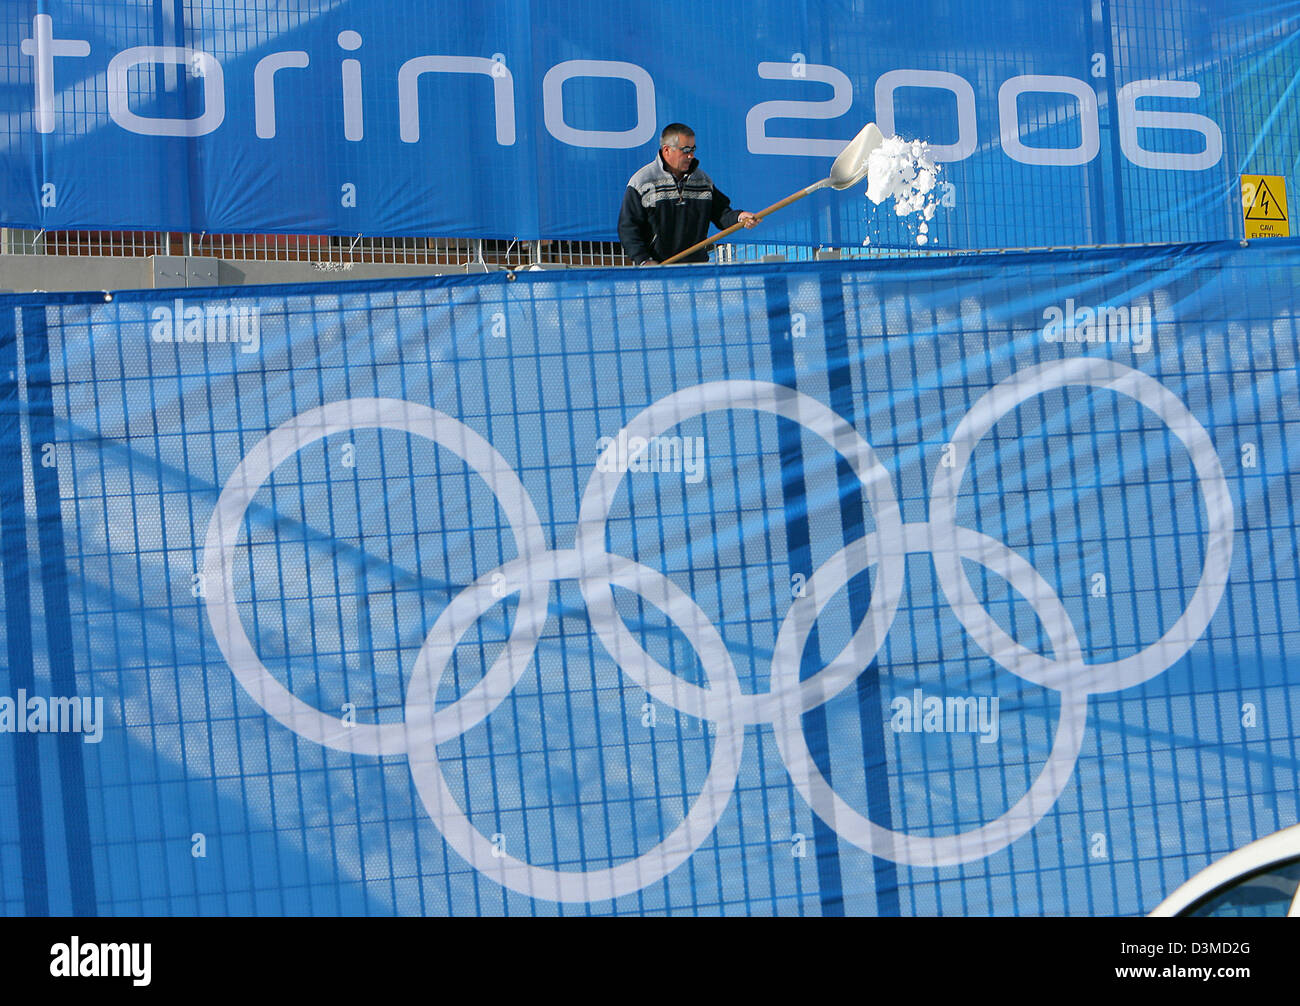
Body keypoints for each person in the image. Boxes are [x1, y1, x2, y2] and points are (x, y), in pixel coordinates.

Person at [618, 123, 758, 265]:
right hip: (656, 270)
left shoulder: (702, 180)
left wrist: (739, 217)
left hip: (696, 268)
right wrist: (644, 260)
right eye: (685, 150)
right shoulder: (642, 182)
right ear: (667, 150)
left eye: (693, 149)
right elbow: (628, 228)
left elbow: (721, 213)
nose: (691, 155)